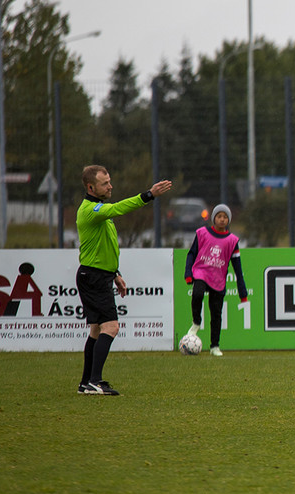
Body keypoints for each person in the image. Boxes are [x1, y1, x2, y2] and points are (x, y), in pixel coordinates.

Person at [75, 165, 172, 395]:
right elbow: (119, 208)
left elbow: (104, 246)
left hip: (98, 275)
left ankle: (86, 382)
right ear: (91, 187)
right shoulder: (91, 210)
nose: (110, 186)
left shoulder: (99, 211)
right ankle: (95, 382)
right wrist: (149, 195)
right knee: (111, 327)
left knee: (97, 330)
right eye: (105, 183)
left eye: (109, 181)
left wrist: (115, 274)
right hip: (94, 277)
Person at [184, 204, 248, 357]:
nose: (222, 219)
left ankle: (214, 346)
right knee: (197, 294)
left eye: (225, 217)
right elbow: (191, 253)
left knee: (216, 313)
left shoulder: (232, 241)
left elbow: (238, 268)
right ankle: (196, 322)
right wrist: (188, 273)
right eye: (219, 216)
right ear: (214, 218)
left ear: (228, 220)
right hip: (201, 272)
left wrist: (243, 293)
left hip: (218, 279)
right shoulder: (202, 233)